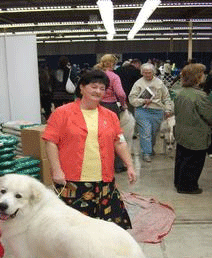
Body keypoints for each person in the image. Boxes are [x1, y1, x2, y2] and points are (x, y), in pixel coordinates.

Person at [42, 69, 136, 230]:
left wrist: (130, 165)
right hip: (72, 180)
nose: (98, 91)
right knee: (72, 228)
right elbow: (50, 142)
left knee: (105, 228)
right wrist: (57, 171)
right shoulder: (62, 113)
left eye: (102, 88)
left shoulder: (110, 116)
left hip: (104, 181)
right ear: (82, 88)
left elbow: (119, 142)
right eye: (93, 87)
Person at [174, 63, 212, 194]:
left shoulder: (181, 92)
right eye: (202, 74)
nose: (204, 76)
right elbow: (209, 116)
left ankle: (178, 182)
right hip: (196, 134)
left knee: (181, 159)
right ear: (197, 77)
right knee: (194, 162)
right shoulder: (200, 96)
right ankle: (188, 187)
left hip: (181, 132)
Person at [128, 63, 174, 162]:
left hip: (157, 111)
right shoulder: (138, 83)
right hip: (142, 111)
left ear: (153, 72)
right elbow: (132, 99)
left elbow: (166, 97)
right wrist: (143, 101)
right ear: (142, 73)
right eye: (145, 73)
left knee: (153, 133)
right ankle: (146, 153)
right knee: (145, 132)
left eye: (149, 73)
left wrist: (168, 109)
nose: (147, 75)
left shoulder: (159, 83)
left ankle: (149, 149)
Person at [95, 54, 128, 172]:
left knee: (97, 135)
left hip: (95, 106)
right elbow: (121, 94)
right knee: (114, 136)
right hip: (110, 107)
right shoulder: (114, 76)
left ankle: (99, 164)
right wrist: (123, 104)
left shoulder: (96, 75)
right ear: (112, 63)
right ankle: (117, 165)